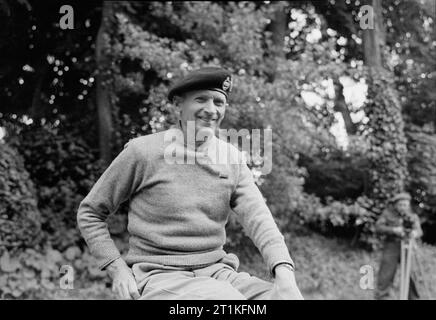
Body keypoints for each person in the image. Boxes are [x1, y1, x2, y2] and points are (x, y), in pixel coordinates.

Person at [77, 67, 303, 300]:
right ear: (178, 105)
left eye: (218, 102)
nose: (211, 110)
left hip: (218, 272)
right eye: (201, 99)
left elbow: (260, 219)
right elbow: (90, 212)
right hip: (158, 275)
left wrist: (283, 271)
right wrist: (117, 268)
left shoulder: (231, 159)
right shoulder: (142, 152)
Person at [374, 192, 423, 300]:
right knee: (386, 274)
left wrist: (414, 233)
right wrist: (394, 230)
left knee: (410, 274)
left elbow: (419, 231)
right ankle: (382, 297)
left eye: (405, 205)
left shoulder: (413, 216)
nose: (402, 207)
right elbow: (378, 227)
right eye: (400, 205)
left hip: (408, 246)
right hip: (391, 246)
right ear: (396, 205)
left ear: (408, 205)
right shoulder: (387, 214)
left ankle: (413, 298)